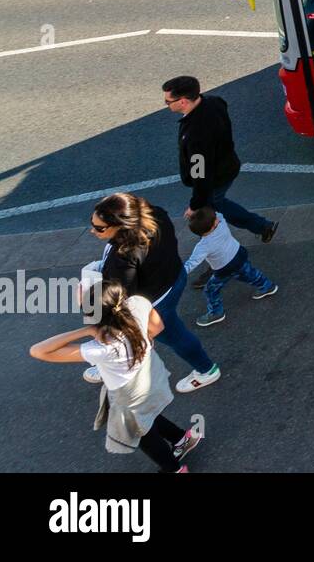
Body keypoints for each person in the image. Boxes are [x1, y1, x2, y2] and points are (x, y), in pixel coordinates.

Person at [29, 280, 202, 473]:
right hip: (150, 377)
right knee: (147, 416)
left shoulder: (104, 347)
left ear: (95, 317)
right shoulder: (138, 303)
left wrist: (85, 329)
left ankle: (175, 470)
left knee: (141, 434)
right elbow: (157, 328)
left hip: (127, 395)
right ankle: (182, 439)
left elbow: (38, 351)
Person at [88, 193, 222, 394]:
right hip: (174, 276)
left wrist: (89, 291)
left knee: (173, 336)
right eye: (92, 223)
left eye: (99, 228)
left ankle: (206, 369)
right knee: (146, 332)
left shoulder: (124, 255)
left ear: (121, 224)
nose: (92, 230)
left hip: (154, 301)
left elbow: (119, 295)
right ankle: (121, 359)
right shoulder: (155, 214)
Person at [163, 76, 278, 261]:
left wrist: (195, 204)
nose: (166, 104)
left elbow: (200, 174)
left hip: (215, 177)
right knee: (219, 203)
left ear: (182, 101)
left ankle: (222, 257)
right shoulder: (213, 102)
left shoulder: (195, 134)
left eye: (167, 101)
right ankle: (261, 227)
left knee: (207, 215)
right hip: (227, 166)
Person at [185, 207, 278, 327]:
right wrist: (195, 210)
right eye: (215, 218)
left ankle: (216, 312)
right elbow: (217, 212)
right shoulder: (221, 222)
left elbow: (192, 263)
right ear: (214, 224)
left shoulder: (202, 246)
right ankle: (267, 286)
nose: (217, 218)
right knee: (249, 273)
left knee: (211, 290)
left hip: (224, 269)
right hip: (239, 254)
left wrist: (179, 274)